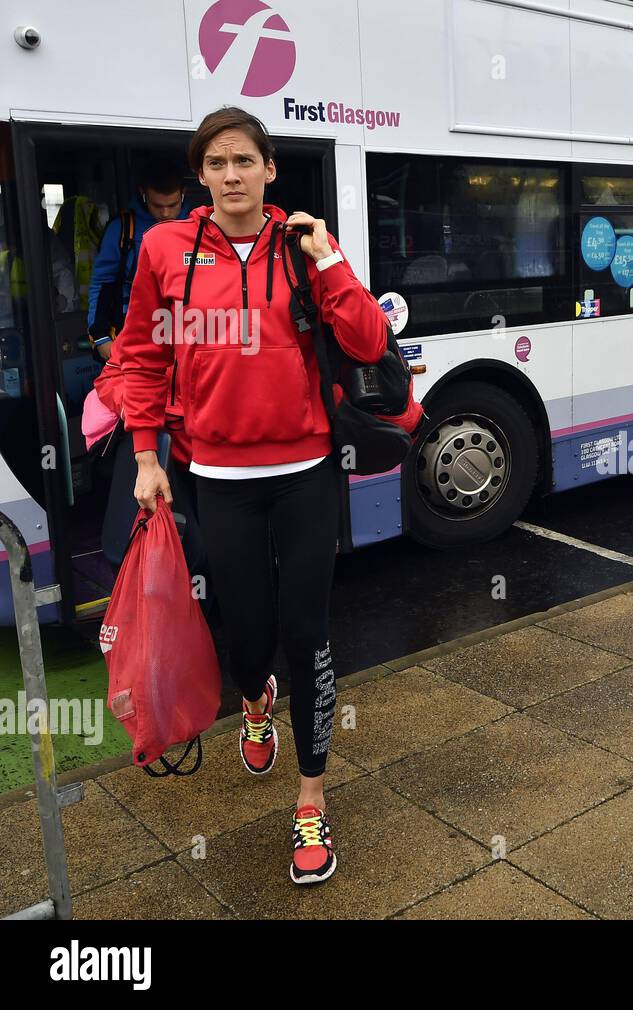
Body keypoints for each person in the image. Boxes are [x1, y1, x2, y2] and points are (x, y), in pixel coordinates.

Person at [115, 106, 393, 885]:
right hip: (218, 478)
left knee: (307, 634)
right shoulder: (165, 247)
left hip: (305, 471)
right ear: (202, 177)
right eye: (216, 163)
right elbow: (142, 352)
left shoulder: (303, 246)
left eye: (245, 161)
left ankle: (310, 800)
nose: (232, 175)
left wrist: (330, 260)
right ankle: (254, 697)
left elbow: (370, 343)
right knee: (244, 636)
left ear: (270, 170)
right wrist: (147, 455)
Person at [87, 159, 189, 361]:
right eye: (157, 205)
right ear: (143, 194)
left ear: (183, 193)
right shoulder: (123, 229)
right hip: (134, 328)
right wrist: (100, 337)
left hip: (189, 329)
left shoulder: (200, 227)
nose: (166, 213)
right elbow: (103, 283)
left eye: (172, 205)